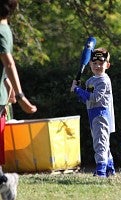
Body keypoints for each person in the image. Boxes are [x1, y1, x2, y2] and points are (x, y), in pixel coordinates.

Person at [0, 0, 37, 199]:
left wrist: (20, 95)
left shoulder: (1, 32)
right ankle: (5, 183)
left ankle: (7, 181)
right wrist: (10, 89)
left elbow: (9, 64)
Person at [71, 48, 115, 177]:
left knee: (100, 143)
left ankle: (101, 171)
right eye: (94, 63)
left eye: (101, 63)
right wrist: (77, 90)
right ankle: (110, 169)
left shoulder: (103, 80)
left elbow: (95, 97)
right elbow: (86, 100)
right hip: (93, 114)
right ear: (90, 64)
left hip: (101, 115)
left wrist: (78, 90)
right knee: (103, 143)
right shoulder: (90, 81)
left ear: (107, 65)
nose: (97, 66)